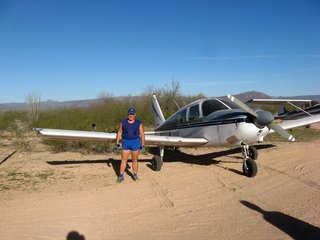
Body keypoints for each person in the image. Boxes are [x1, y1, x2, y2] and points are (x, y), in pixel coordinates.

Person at [115, 107, 145, 182]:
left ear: (135, 114)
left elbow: (142, 134)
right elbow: (119, 133)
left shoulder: (139, 123)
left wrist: (143, 145)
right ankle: (121, 175)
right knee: (123, 160)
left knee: (135, 160)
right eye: (129, 114)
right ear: (127, 114)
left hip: (135, 143)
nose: (131, 115)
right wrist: (117, 143)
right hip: (125, 143)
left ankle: (135, 175)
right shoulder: (123, 122)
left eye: (132, 114)